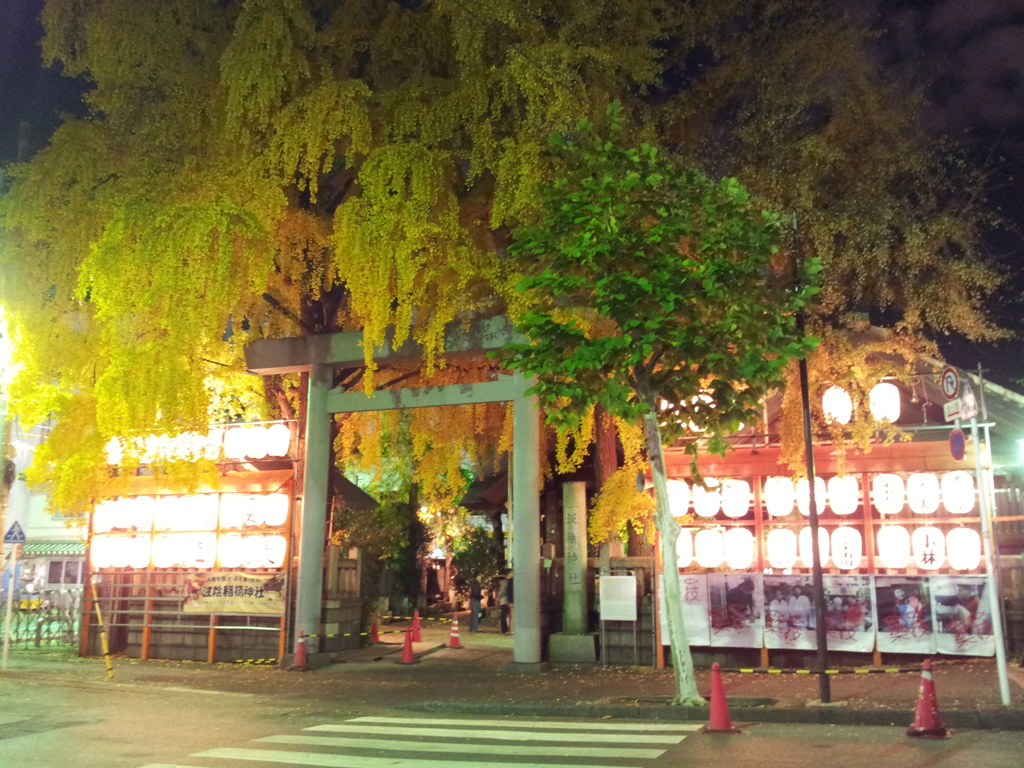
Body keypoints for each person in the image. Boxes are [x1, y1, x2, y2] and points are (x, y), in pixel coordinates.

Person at [498, 570, 514, 634]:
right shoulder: (507, 582)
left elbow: (500, 593)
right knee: (506, 615)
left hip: (503, 600)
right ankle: (506, 629)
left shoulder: (504, 582)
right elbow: (505, 592)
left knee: (505, 615)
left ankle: (505, 629)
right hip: (505, 600)